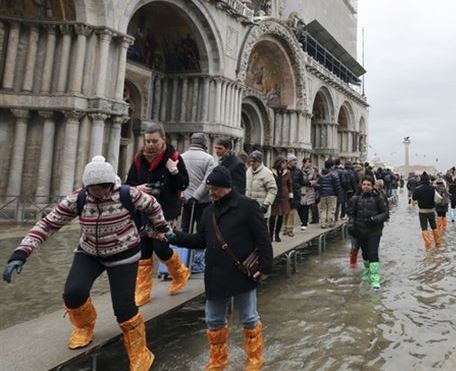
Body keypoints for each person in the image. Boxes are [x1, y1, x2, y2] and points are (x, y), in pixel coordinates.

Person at [4, 156, 167, 370]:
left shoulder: (128, 194)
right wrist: (21, 253)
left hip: (123, 253)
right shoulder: (78, 199)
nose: (99, 192)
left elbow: (153, 206)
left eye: (103, 187)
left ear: (110, 183)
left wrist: (161, 228)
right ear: (86, 186)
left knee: (124, 308)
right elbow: (47, 224)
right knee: (73, 293)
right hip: (89, 251)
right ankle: (84, 326)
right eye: (94, 188)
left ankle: (140, 353)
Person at [167, 166, 272, 370]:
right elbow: (200, 240)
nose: (212, 193)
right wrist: (175, 236)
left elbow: (263, 239)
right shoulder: (208, 212)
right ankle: (218, 361)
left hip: (242, 272)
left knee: (249, 317)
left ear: (227, 187)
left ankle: (254, 359)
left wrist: (266, 267)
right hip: (216, 274)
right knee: (213, 320)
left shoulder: (248, 206)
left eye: (215, 189)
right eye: (210, 189)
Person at [126, 123, 190, 306]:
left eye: (154, 141)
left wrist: (174, 170)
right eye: (147, 141)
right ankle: (143, 290)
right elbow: (128, 182)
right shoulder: (139, 159)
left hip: (166, 210)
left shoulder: (174, 157)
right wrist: (137, 188)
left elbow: (183, 184)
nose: (150, 145)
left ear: (163, 140)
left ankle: (180, 273)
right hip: (143, 210)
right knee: (144, 250)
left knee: (161, 248)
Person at [347, 177, 390, 289]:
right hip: (360, 231)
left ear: (372, 186)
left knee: (372, 253)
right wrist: (351, 226)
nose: (366, 186)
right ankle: (367, 270)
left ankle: (375, 278)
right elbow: (351, 214)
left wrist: (373, 219)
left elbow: (385, 213)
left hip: (374, 231)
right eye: (364, 184)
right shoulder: (355, 199)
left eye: (368, 184)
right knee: (365, 254)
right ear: (361, 185)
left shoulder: (378, 198)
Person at [181, 133, 216, 233]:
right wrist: (195, 197)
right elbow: (207, 181)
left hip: (186, 200)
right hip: (203, 201)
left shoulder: (181, 157)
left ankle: (185, 247)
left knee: (185, 229)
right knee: (203, 230)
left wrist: (185, 196)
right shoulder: (209, 159)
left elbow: (178, 179)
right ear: (204, 144)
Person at [245, 150, 278, 236]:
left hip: (261, 208)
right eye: (250, 161)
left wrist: (266, 204)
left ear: (259, 161)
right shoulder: (248, 171)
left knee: (261, 231)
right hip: (248, 207)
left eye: (254, 161)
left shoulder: (267, 173)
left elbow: (272, 190)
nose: (252, 163)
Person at [413, 173, 440, 249]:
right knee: (434, 227)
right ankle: (438, 244)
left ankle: (428, 245)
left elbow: (414, 198)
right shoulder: (432, 188)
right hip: (431, 210)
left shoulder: (418, 189)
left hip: (422, 211)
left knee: (424, 228)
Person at [270, 157, 291, 242]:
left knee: (281, 215)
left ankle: (277, 234)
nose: (285, 165)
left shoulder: (287, 172)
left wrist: (290, 194)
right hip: (274, 195)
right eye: (283, 163)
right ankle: (270, 235)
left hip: (283, 195)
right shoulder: (271, 172)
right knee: (273, 215)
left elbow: (290, 184)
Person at [317, 160, 340, 229]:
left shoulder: (321, 173)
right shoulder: (334, 174)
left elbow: (318, 183)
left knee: (323, 209)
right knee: (331, 209)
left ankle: (323, 223)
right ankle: (330, 223)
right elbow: (337, 185)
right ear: (332, 166)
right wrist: (338, 193)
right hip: (332, 194)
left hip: (322, 194)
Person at [285, 154, 303, 237]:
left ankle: (290, 229)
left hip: (295, 194)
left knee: (292, 212)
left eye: (296, 160)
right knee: (286, 211)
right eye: (293, 160)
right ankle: (286, 228)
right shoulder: (284, 170)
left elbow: (301, 182)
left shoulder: (298, 171)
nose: (295, 162)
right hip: (286, 193)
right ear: (288, 161)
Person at [299, 158, 318, 231]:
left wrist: (310, 183)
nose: (309, 164)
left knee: (307, 207)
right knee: (301, 207)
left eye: (310, 162)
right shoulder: (300, 171)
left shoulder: (313, 171)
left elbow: (316, 180)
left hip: (310, 190)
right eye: (308, 162)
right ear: (304, 163)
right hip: (302, 190)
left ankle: (305, 222)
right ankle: (303, 221)